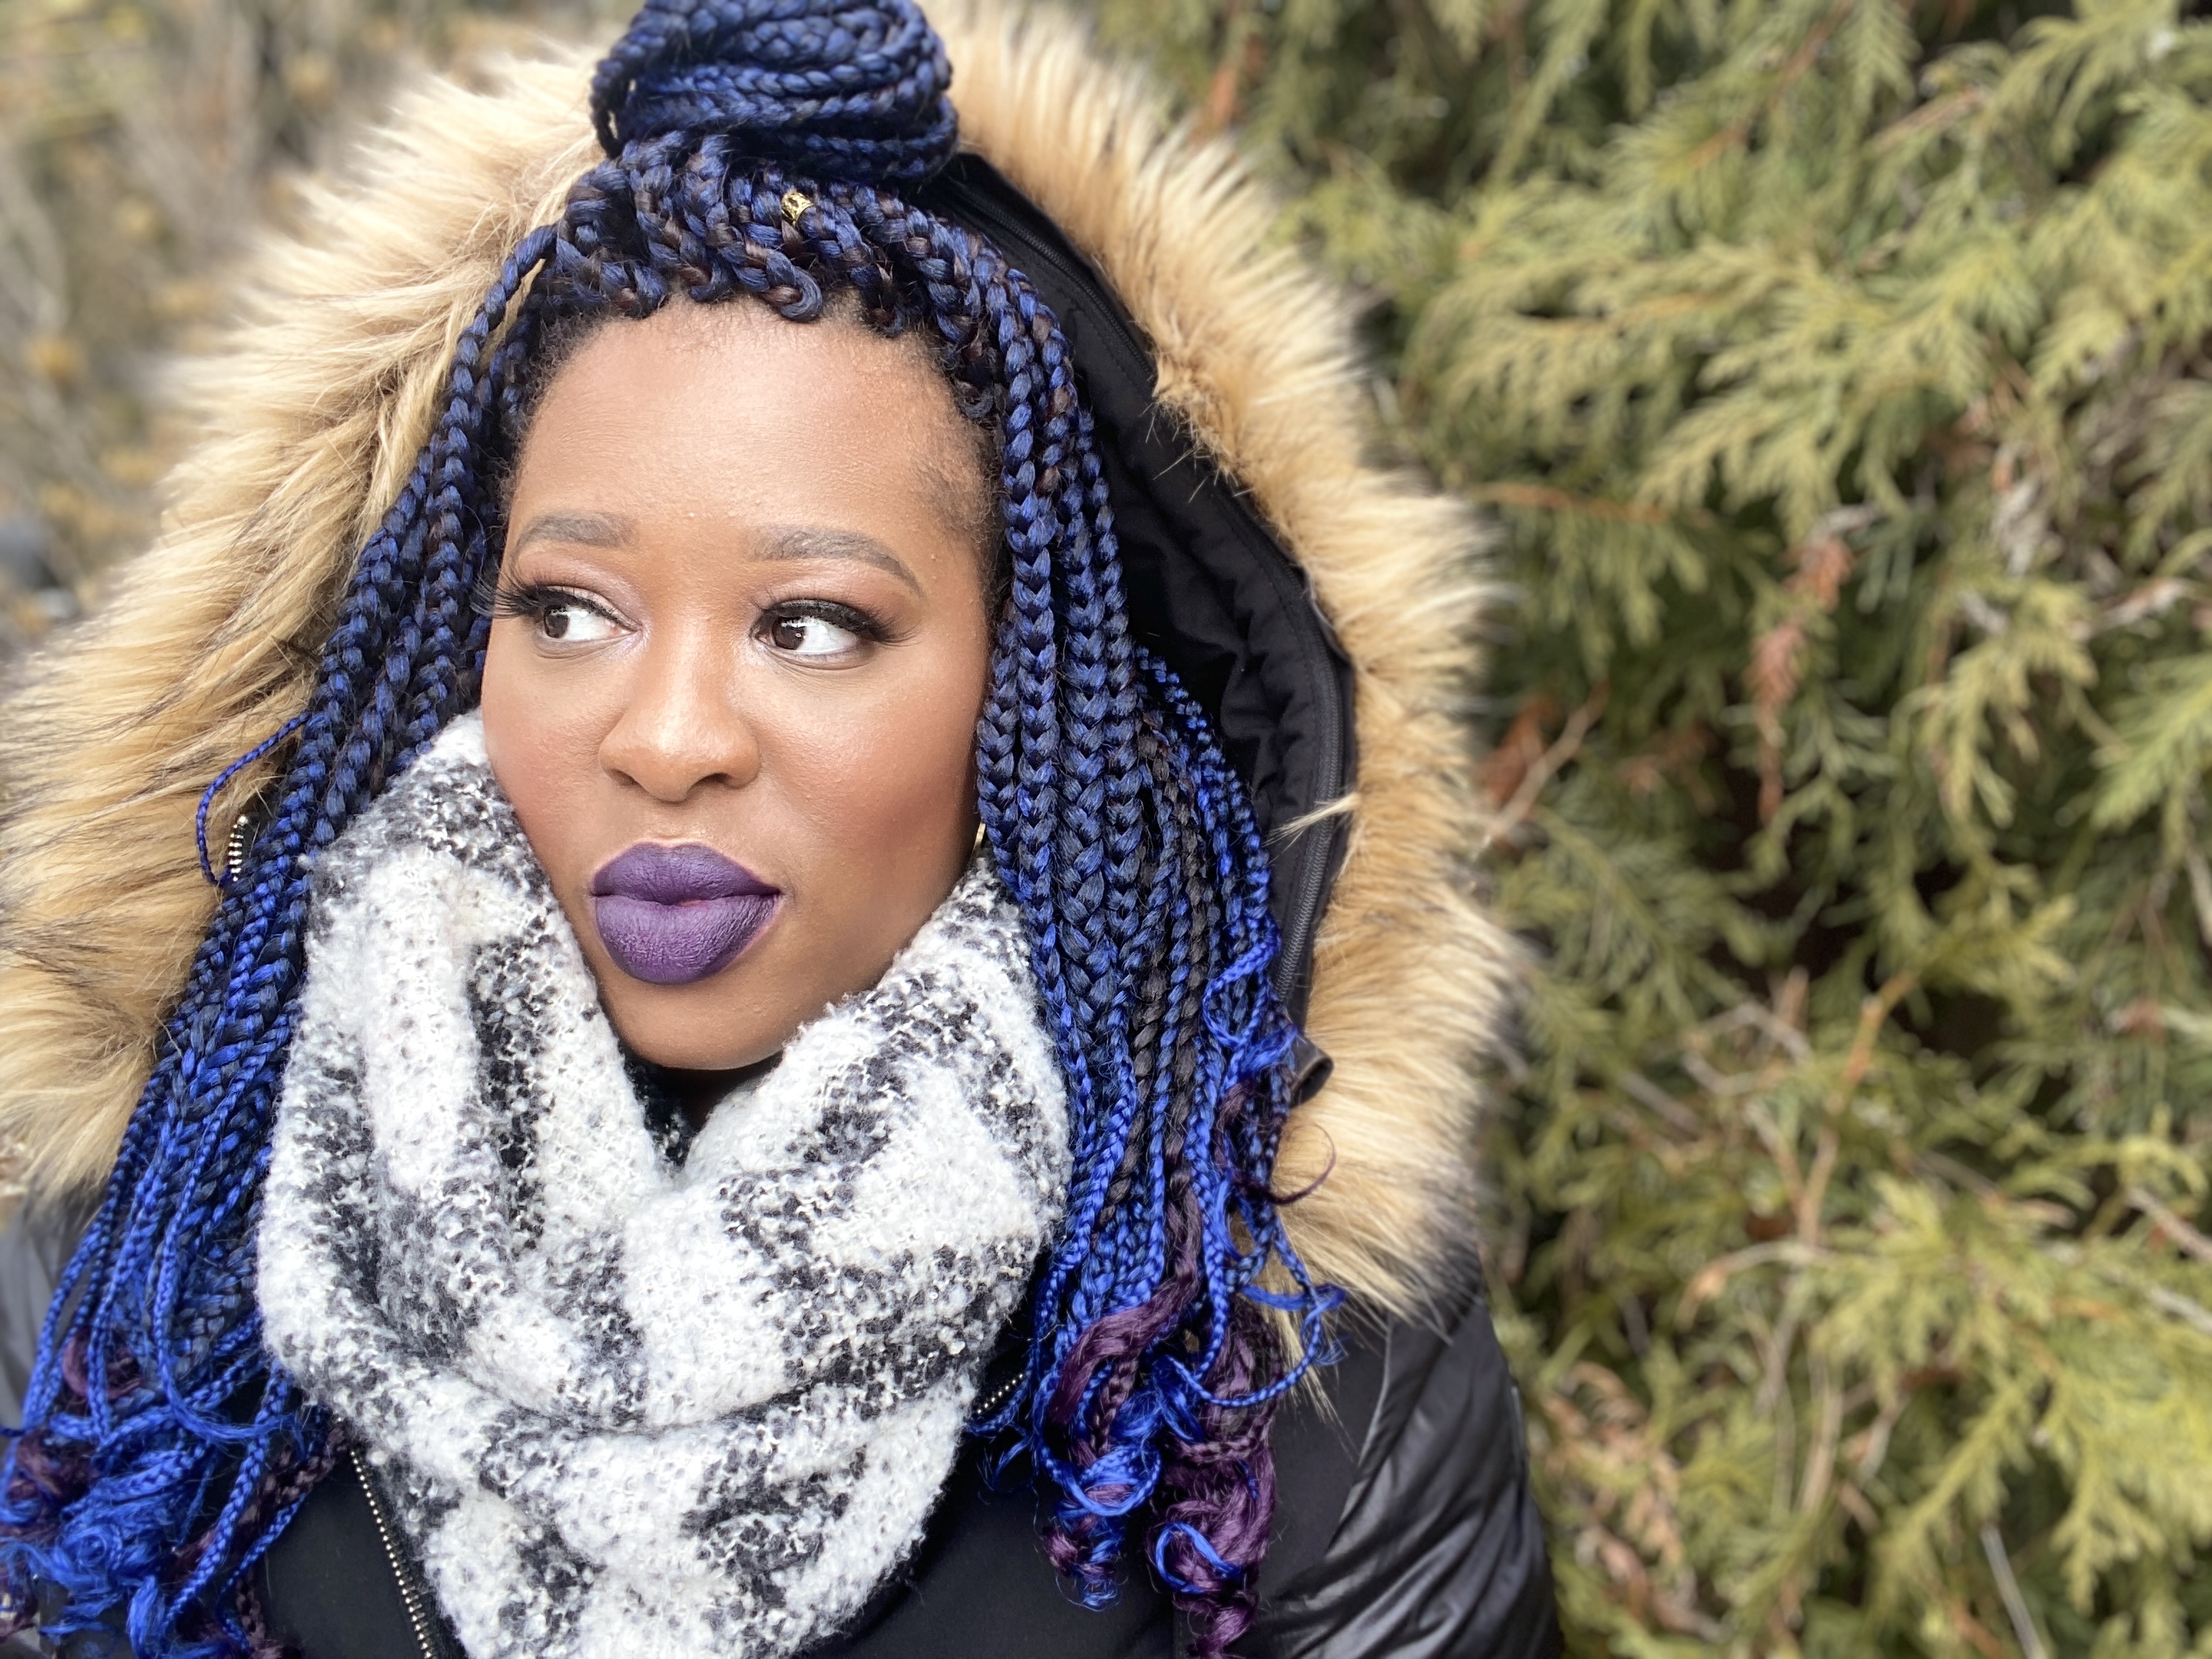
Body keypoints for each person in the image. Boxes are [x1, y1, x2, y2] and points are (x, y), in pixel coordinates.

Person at [0, 1, 1560, 1655]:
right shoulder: (138, 1270)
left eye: (812, 626)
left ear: (1037, 694)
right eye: (570, 611)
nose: (668, 740)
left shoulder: (1287, 1392)